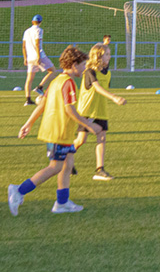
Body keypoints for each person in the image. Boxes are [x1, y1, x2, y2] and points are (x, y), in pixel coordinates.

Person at [8, 46, 103, 216]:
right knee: (55, 167)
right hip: (58, 132)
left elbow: (42, 104)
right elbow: (69, 110)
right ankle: (19, 190)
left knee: (68, 165)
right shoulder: (68, 83)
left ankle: (62, 202)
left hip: (58, 131)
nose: (84, 68)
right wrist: (89, 126)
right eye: (82, 65)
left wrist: (28, 123)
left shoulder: (56, 81)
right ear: (73, 65)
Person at [73, 43, 127, 181]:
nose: (109, 57)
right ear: (98, 56)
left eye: (109, 54)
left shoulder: (107, 73)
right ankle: (65, 159)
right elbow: (97, 88)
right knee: (81, 141)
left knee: (102, 138)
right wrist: (114, 97)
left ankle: (99, 169)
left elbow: (103, 89)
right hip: (87, 111)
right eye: (106, 54)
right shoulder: (89, 71)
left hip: (101, 110)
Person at [22, 15, 57, 107]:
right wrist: (38, 56)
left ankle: (28, 99)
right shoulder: (39, 30)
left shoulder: (26, 31)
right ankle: (40, 87)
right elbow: (37, 43)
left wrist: (25, 57)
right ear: (40, 22)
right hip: (39, 56)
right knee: (53, 70)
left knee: (29, 78)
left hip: (30, 57)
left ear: (32, 21)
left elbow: (23, 46)